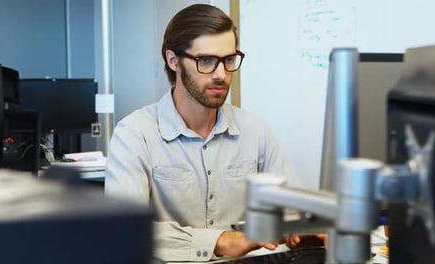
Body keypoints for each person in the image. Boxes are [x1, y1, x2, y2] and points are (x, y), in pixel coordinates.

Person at [105, 4, 305, 262]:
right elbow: (124, 231)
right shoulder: (134, 134)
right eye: (206, 61)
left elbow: (292, 210)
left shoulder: (255, 129)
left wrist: (303, 229)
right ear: (173, 60)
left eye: (229, 60)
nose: (221, 75)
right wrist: (220, 241)